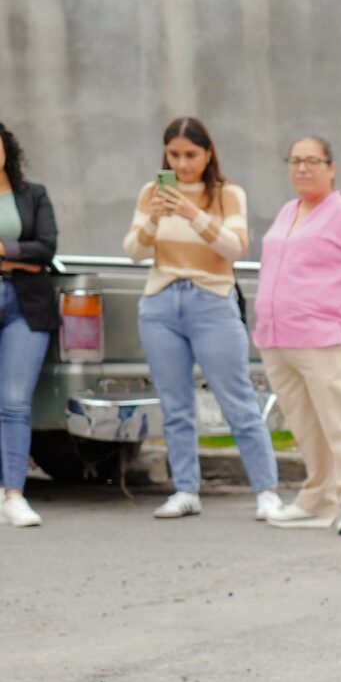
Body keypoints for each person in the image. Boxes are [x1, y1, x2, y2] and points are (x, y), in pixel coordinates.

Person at [126, 116, 284, 521]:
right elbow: (135, 251)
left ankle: (267, 491)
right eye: (174, 154)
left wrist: (192, 212)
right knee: (176, 404)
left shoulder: (227, 194)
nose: (182, 164)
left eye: (190, 154)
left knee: (238, 401)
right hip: (161, 302)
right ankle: (185, 489)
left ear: (208, 153)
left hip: (212, 301)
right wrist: (156, 219)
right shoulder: (152, 193)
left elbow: (235, 247)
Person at [253, 137, 341, 537]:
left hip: (325, 336)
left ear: (331, 167)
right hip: (277, 338)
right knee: (306, 425)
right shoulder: (287, 212)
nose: (302, 168)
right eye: (295, 161)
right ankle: (318, 500)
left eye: (311, 161)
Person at [1, 120, 60, 529]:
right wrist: (23, 258)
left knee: (14, 402)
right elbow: (34, 254)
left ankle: (14, 493)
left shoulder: (33, 195)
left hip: (26, 306)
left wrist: (6, 252)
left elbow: (48, 247)